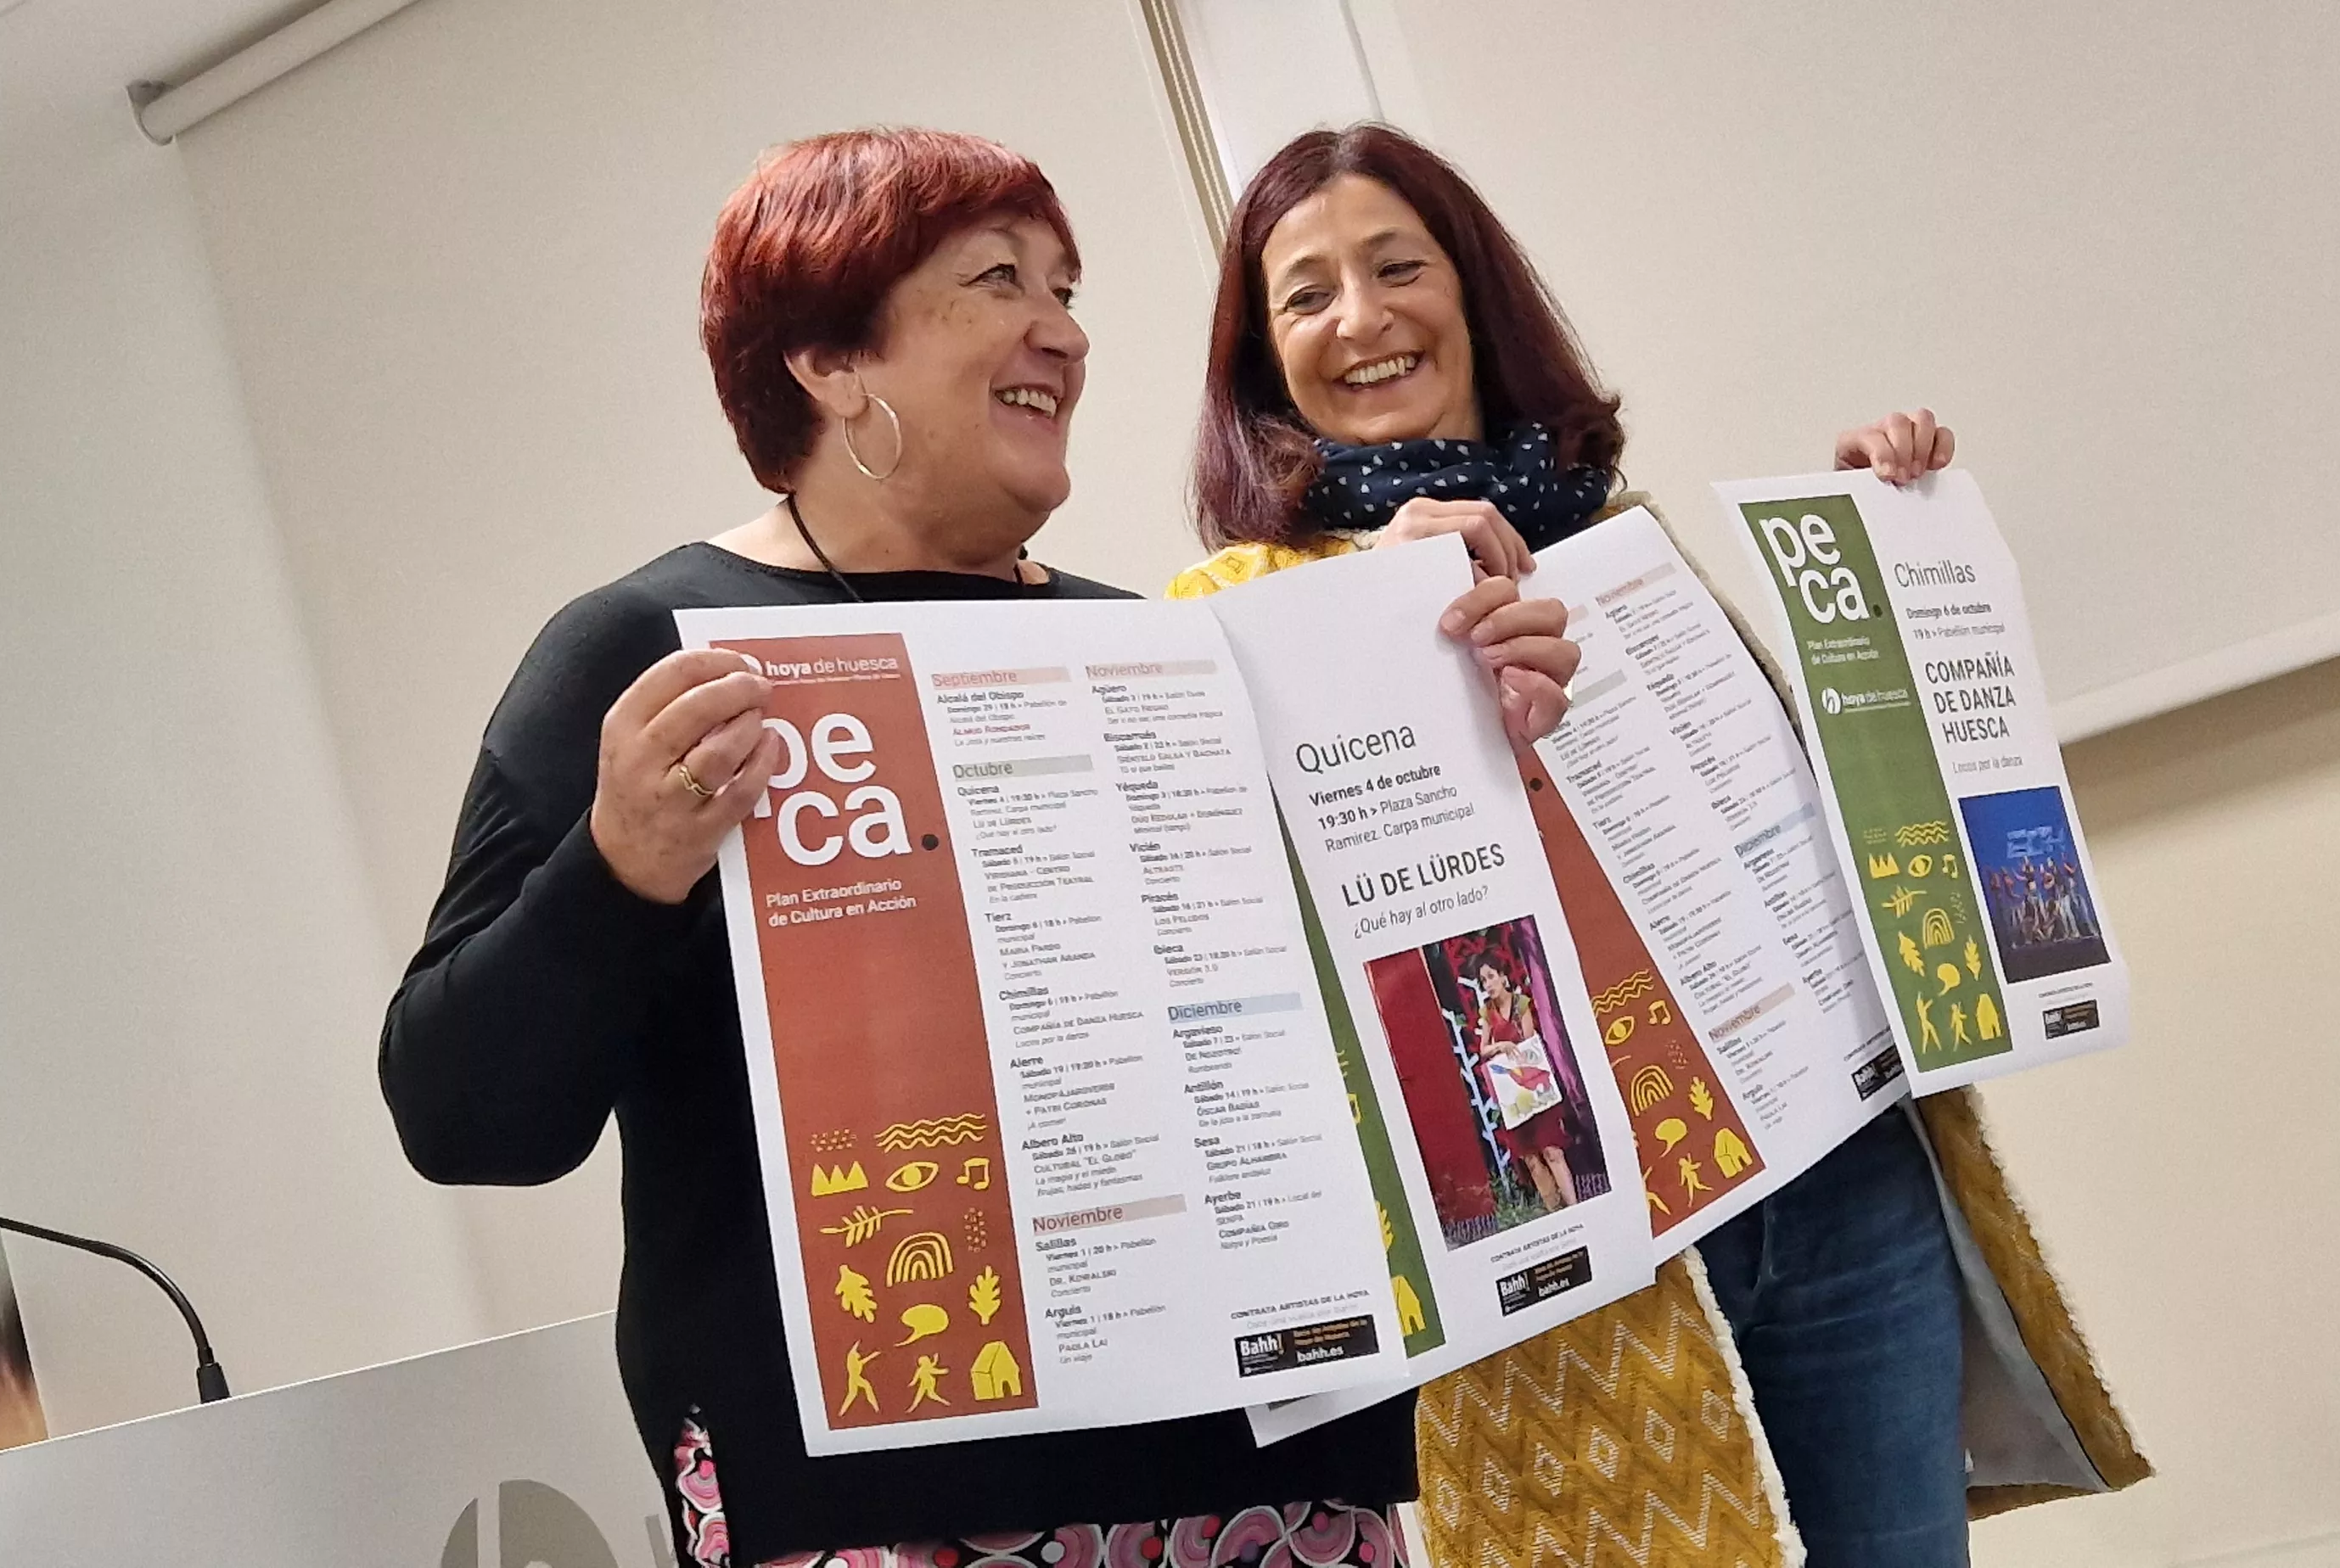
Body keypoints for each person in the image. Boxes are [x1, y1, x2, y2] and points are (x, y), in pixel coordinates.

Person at [378, 128, 1580, 1568]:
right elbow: (460, 1116)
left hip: (1263, 1487)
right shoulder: (648, 655)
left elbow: (1386, 1032)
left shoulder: (1157, 652)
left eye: (1068, 288)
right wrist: (620, 862)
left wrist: (1451, 736)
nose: (1063, 333)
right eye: (999, 278)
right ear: (828, 358)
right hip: (883, 1512)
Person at [1171, 124, 2146, 1567]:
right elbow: (1257, 956)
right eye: (1304, 294)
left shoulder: (1618, 540)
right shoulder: (1224, 606)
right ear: (1260, 357)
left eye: (1397, 267)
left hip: (1839, 1181)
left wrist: (1876, 555)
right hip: (1587, 1263)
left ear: (1476, 297)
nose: (1361, 318)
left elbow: (1808, 837)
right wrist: (1374, 630)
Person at [1466, 955, 1576, 1211]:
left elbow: (1529, 1043)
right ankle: (1556, 1212)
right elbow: (1483, 1050)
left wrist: (1513, 1046)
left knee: (1552, 1151)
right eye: (1483, 981)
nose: (1488, 984)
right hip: (1511, 1092)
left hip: (1532, 1085)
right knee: (1532, 1160)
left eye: (1491, 977)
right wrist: (1501, 1046)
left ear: (1503, 977)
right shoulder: (1487, 1013)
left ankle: (1575, 1206)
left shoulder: (1520, 1004)